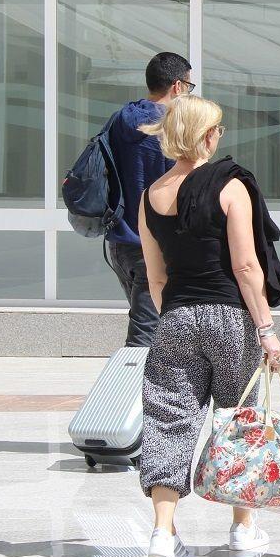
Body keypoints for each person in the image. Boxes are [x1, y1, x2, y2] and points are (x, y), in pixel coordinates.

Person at [136, 95, 280, 557]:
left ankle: (164, 534)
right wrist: (267, 330)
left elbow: (155, 276)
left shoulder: (151, 196)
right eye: (218, 128)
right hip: (229, 317)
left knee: (168, 420)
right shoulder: (230, 187)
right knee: (239, 418)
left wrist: (176, 318)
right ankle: (243, 529)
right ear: (207, 134)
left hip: (176, 318)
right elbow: (247, 266)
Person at [105, 52, 193, 348]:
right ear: (178, 86)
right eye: (190, 87)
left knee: (154, 327)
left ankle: (155, 391)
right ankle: (129, 391)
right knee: (144, 336)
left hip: (119, 243)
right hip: (152, 245)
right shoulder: (170, 126)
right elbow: (181, 185)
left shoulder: (120, 119)